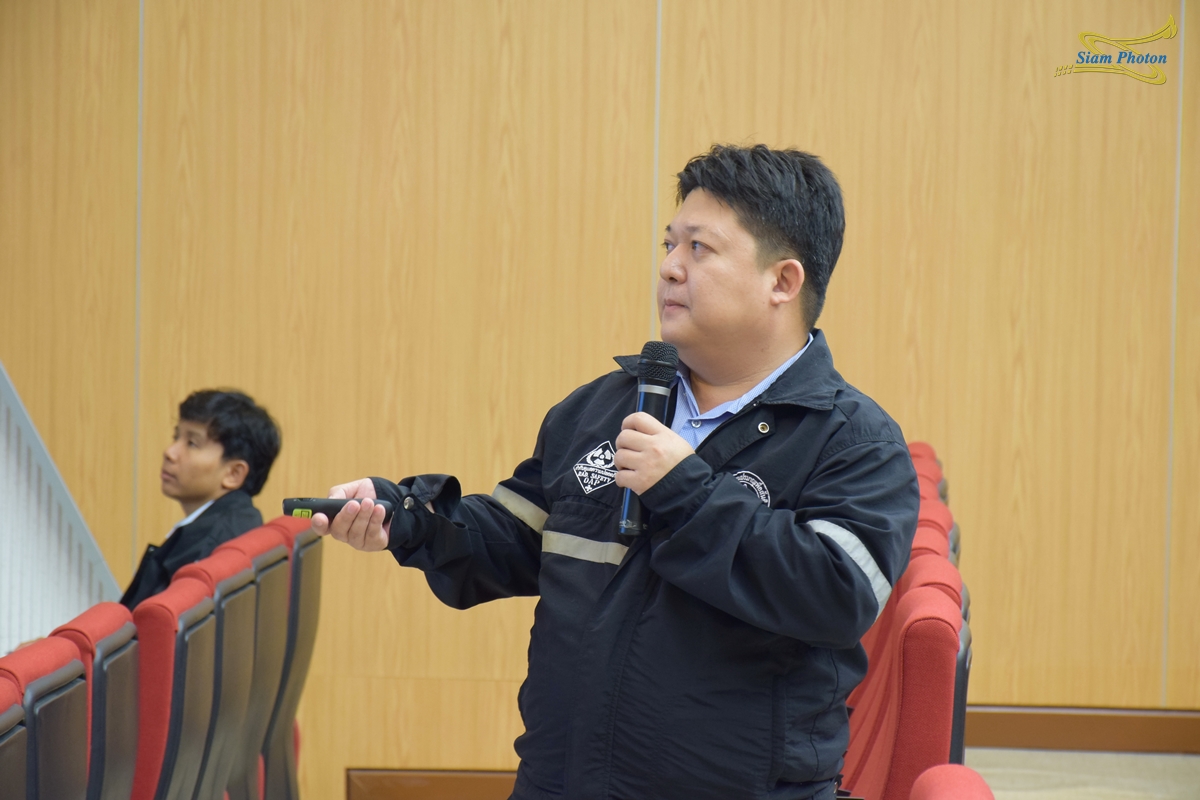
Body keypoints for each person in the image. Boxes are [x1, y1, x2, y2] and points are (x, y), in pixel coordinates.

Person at [316, 145, 919, 800]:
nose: (669, 267)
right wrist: (407, 516)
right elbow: (515, 538)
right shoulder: (602, 407)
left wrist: (685, 491)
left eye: (699, 249)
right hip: (562, 780)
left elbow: (836, 595)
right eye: (670, 244)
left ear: (782, 281)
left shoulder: (853, 440)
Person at [121, 389, 281, 609]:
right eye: (176, 437)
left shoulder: (206, 554)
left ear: (233, 474)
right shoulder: (242, 518)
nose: (170, 452)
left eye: (192, 443)